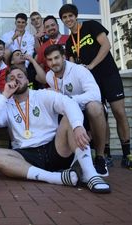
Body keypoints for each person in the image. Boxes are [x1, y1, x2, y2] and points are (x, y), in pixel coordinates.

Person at [0, 66, 111, 194]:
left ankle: (90, 174)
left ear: (27, 79)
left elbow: (68, 103)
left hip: (55, 149)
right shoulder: (6, 104)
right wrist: (5, 94)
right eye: (11, 78)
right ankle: (56, 178)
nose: (16, 80)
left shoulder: (41, 94)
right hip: (27, 156)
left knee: (70, 118)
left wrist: (78, 126)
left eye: (20, 76)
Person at [59, 4, 132, 171]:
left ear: (76, 16)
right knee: (100, 117)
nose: (68, 19)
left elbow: (106, 45)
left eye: (70, 16)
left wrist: (91, 65)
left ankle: (127, 155)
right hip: (91, 83)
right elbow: (74, 67)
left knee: (119, 112)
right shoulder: (69, 43)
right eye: (65, 17)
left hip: (109, 75)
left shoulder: (91, 25)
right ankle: (106, 154)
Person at [41, 44, 108, 176]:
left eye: (56, 58)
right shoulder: (49, 76)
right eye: (50, 60)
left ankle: (100, 157)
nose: (54, 62)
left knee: (94, 107)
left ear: (63, 57)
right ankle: (70, 160)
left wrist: (69, 99)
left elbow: (95, 95)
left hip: (88, 112)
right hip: (69, 115)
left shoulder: (79, 70)